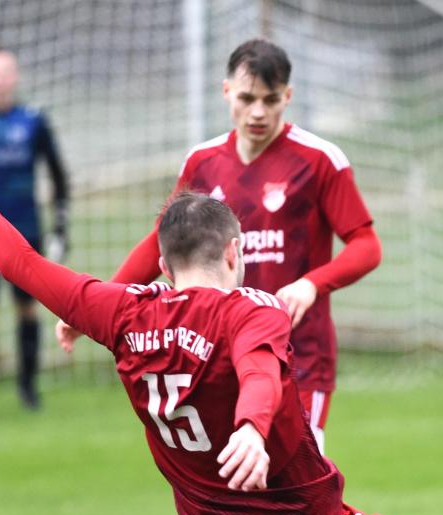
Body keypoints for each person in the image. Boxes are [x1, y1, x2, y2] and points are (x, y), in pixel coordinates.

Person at [0, 152, 411, 515]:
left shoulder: (122, 313)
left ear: (164, 266)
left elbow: (20, 263)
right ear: (234, 252)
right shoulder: (251, 310)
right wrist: (251, 428)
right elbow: (258, 367)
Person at [55, 38, 379, 450]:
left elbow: (366, 245)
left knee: (298, 477)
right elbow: (159, 243)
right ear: (227, 92)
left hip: (298, 353)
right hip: (218, 353)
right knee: (231, 478)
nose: (258, 112)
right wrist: (92, 306)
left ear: (288, 96)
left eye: (271, 100)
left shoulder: (319, 160)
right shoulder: (202, 162)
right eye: (246, 98)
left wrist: (312, 284)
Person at [0, 50, 69, 410]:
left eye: (5, 74)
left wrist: (61, 225)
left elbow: (58, 174)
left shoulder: (33, 121)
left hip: (25, 230)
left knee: (27, 309)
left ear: (15, 78)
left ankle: (29, 389)